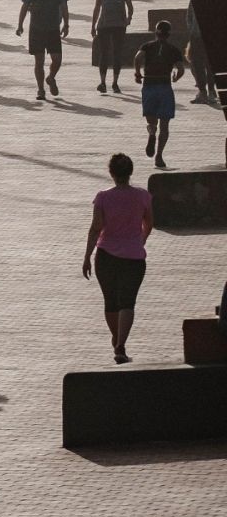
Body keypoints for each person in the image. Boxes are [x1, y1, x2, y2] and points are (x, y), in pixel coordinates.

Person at [82, 153, 152, 365]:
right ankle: (121, 344)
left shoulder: (103, 197)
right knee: (128, 302)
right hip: (134, 257)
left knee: (111, 302)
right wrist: (140, 240)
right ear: (130, 172)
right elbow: (149, 223)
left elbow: (96, 229)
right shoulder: (142, 196)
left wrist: (87, 256)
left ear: (111, 173)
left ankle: (116, 339)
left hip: (106, 257)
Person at [134, 20, 188, 170]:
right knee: (165, 125)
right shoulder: (174, 50)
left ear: (156, 32)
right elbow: (181, 69)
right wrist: (176, 77)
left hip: (149, 86)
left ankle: (151, 132)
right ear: (169, 34)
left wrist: (138, 73)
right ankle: (159, 155)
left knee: (152, 121)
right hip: (165, 87)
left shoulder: (147, 46)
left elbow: (138, 58)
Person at [17, 0, 71, 101]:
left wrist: (66, 24)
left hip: (53, 28)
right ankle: (40, 89)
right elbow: (24, 7)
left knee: (57, 60)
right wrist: (20, 25)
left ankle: (51, 77)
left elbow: (64, 6)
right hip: (37, 29)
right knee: (39, 61)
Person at [91, 0, 133, 94]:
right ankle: (103, 82)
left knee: (117, 53)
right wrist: (93, 25)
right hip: (104, 25)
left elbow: (130, 6)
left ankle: (115, 82)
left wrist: (128, 19)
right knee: (103, 54)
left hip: (119, 25)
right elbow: (97, 8)